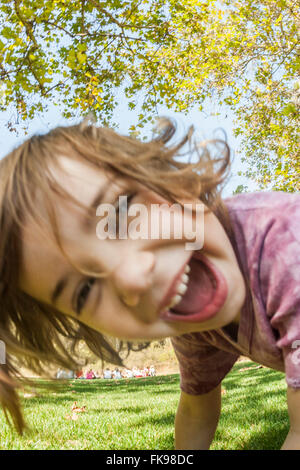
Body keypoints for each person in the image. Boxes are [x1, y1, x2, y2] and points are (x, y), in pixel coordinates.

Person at [0, 117, 300, 450]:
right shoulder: (189, 308)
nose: (133, 278)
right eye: (84, 291)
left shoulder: (288, 247)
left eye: (119, 214)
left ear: (171, 179)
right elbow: (197, 408)